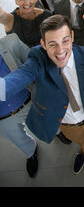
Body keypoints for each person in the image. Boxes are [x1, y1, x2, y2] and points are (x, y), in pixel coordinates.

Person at [0, 14, 84, 175]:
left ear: (72, 36)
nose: (60, 51)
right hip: (67, 123)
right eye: (52, 44)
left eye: (65, 41)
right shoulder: (37, 59)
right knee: (82, 141)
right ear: (43, 44)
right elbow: (20, 76)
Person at [0, 34, 38, 178]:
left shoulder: (11, 41)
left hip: (31, 99)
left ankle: (60, 133)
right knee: (17, 139)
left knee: (52, 122)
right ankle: (31, 151)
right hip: (3, 117)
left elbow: (35, 61)